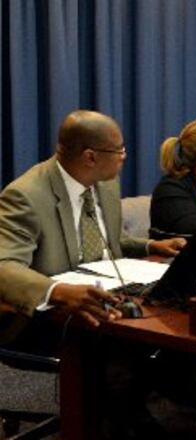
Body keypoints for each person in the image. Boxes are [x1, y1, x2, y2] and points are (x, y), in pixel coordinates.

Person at [0, 110, 185, 348]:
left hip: (113, 297)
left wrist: (151, 245)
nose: (124, 156)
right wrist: (57, 291)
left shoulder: (106, 182)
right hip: (49, 319)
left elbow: (108, 239)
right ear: (90, 157)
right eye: (119, 150)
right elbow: (4, 265)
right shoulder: (26, 196)